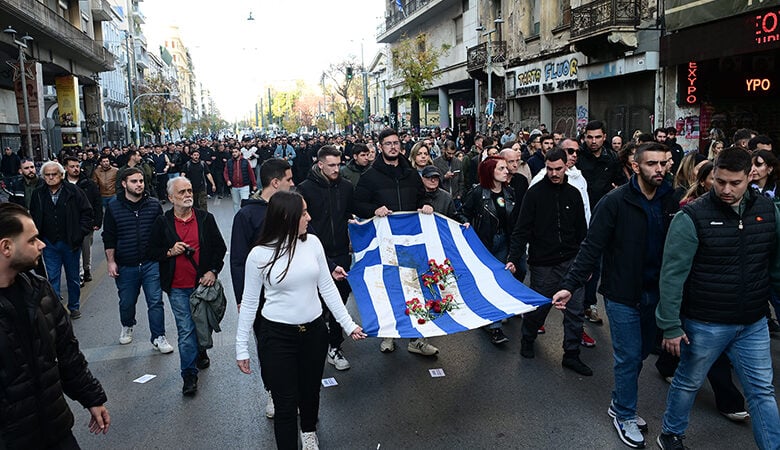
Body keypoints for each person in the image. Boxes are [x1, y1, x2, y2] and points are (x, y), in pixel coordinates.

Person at [552, 142, 679, 449]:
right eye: (652, 164)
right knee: (628, 356)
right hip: (622, 294)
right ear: (636, 166)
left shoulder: (672, 199)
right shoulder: (614, 202)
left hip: (656, 294)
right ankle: (623, 413)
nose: (659, 169)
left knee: (639, 356)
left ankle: (619, 402)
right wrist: (570, 285)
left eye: (663, 163)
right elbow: (591, 247)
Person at [655, 147, 780, 450]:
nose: (725, 189)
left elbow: (775, 268)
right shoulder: (690, 217)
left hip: (752, 322)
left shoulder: (769, 211)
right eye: (719, 181)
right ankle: (671, 433)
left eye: (734, 183)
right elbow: (672, 275)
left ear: (750, 175)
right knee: (688, 382)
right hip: (705, 323)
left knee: (762, 392)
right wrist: (670, 325)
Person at [236, 191, 366, 450]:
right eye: (304, 213)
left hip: (315, 333)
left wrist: (349, 324)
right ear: (286, 217)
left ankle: (309, 431)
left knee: (310, 392)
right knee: (285, 404)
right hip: (276, 337)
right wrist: (241, 347)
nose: (309, 217)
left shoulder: (313, 244)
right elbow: (250, 302)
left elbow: (327, 288)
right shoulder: (258, 255)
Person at [0, 203, 110, 447]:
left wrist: (91, 398)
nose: (42, 245)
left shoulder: (40, 290)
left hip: (56, 429)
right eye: (32, 240)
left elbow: (67, 353)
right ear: (6, 247)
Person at [353, 127, 437, 356]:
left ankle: (416, 339)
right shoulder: (369, 176)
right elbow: (357, 204)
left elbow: (422, 196)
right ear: (380, 147)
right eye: (388, 143)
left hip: (411, 243)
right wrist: (374, 209)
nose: (393, 147)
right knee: (389, 288)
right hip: (385, 244)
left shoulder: (410, 174)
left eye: (396, 143)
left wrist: (426, 204)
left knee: (414, 288)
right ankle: (388, 333)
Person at [506, 148, 591, 374]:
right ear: (545, 167)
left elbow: (582, 231)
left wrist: (586, 263)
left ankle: (571, 354)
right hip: (543, 263)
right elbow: (521, 229)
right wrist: (514, 258)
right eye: (550, 169)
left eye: (559, 169)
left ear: (566, 167)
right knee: (540, 308)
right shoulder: (534, 194)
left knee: (575, 311)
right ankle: (527, 338)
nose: (554, 173)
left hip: (572, 262)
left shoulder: (573, 194)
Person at [147, 177, 227, 396]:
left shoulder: (205, 219)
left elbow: (220, 248)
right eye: (182, 192)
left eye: (190, 190)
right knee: (186, 330)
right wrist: (169, 252)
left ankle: (201, 350)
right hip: (177, 287)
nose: (187, 195)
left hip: (202, 287)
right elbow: (150, 251)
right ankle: (189, 375)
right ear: (171, 198)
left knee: (203, 324)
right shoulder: (162, 222)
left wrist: (212, 271)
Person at [229, 158, 294, 419]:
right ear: (275, 183)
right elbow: (237, 261)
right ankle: (273, 392)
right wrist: (242, 298)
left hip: (292, 294)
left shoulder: (292, 209)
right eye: (289, 180)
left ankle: (294, 393)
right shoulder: (247, 215)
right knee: (269, 349)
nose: (293, 184)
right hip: (262, 300)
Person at [103, 168, 174, 353]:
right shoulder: (113, 206)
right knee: (127, 302)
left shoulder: (153, 205)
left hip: (151, 263)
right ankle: (127, 324)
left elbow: (162, 232)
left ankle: (158, 336)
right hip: (126, 265)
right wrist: (111, 261)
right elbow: (108, 236)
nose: (139, 184)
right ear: (124, 184)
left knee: (155, 301)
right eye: (134, 181)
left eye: (141, 181)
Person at [298, 146, 356, 371]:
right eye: (331, 165)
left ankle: (335, 346)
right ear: (320, 164)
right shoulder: (304, 189)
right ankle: (315, 345)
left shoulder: (346, 187)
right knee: (317, 304)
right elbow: (305, 223)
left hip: (341, 252)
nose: (336, 169)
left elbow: (352, 212)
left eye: (338, 164)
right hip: (314, 254)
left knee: (339, 301)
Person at [461, 156, 516, 345]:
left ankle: (494, 317)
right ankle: (494, 327)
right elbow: (463, 211)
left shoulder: (510, 192)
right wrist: (465, 222)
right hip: (483, 242)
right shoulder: (477, 193)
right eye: (501, 168)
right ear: (490, 172)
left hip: (503, 241)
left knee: (500, 281)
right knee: (488, 282)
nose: (506, 170)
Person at [29, 161, 93, 319]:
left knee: (73, 277)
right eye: (47, 175)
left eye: (54, 174)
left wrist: (80, 232)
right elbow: (33, 216)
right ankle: (56, 309)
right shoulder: (38, 194)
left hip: (70, 242)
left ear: (61, 175)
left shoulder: (73, 191)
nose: (50, 177)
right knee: (53, 277)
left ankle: (74, 306)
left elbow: (87, 212)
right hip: (49, 242)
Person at [64, 156, 103, 287]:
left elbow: (97, 202)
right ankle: (79, 275)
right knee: (74, 249)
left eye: (77, 166)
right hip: (69, 223)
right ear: (65, 168)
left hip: (86, 222)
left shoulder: (88, 183)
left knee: (86, 248)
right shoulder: (62, 185)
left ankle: (86, 269)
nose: (75, 169)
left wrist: (97, 220)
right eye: (72, 166)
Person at [224, 146, 257, 213]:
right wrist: (227, 180)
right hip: (233, 187)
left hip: (244, 186)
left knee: (245, 203)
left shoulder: (245, 161)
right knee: (236, 204)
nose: (234, 153)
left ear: (239, 152)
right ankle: (237, 217)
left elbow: (251, 173)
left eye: (236, 152)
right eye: (233, 152)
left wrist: (254, 184)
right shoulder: (229, 162)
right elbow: (225, 172)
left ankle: (245, 218)